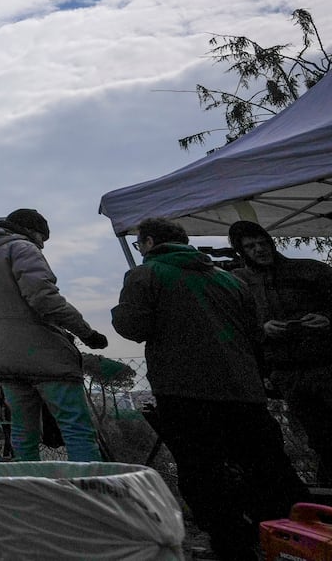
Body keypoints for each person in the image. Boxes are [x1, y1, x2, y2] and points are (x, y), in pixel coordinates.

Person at [113, 217, 305, 561]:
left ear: (150, 242)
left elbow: (133, 326)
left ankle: (235, 547)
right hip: (244, 392)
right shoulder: (229, 280)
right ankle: (291, 539)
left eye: (140, 244)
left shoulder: (145, 274)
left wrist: (118, 312)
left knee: (204, 473)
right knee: (268, 470)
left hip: (185, 392)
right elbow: (254, 334)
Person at [0, 207, 109, 461]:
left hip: (3, 358)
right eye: (42, 239)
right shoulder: (21, 248)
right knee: (76, 429)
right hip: (45, 357)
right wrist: (87, 333)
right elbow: (44, 299)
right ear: (31, 231)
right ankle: (89, 489)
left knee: (22, 430)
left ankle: (30, 487)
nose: (42, 246)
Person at [229, 219, 332, 485]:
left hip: (324, 364)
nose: (259, 250)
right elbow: (236, 327)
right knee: (319, 438)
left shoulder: (309, 271)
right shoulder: (238, 284)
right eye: (250, 246)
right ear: (241, 251)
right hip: (287, 373)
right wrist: (262, 330)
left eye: (262, 243)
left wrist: (326, 319)